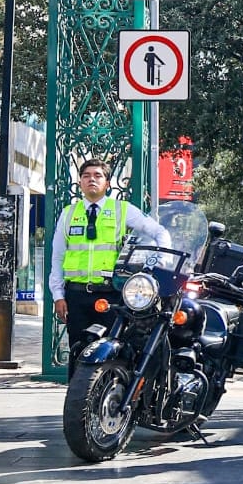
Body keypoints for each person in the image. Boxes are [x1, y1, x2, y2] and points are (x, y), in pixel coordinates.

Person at [48, 158, 171, 378]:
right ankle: (78, 406)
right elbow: (57, 257)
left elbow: (160, 233)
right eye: (86, 176)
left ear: (107, 183)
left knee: (112, 352)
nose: (91, 180)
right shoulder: (68, 213)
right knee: (78, 351)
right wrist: (58, 295)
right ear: (80, 183)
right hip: (76, 295)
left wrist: (160, 262)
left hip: (110, 296)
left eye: (97, 176)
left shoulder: (121, 210)